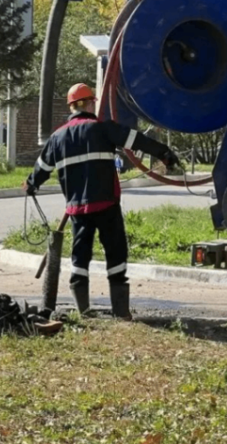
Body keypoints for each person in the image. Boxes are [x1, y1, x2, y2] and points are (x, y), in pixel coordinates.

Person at [22, 83, 180, 319]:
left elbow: (41, 168)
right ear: (89, 104)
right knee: (115, 254)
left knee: (80, 257)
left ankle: (83, 311)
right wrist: (165, 154)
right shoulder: (104, 129)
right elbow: (136, 140)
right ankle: (120, 311)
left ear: (71, 107)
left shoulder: (57, 138)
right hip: (106, 205)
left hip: (77, 210)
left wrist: (31, 184)